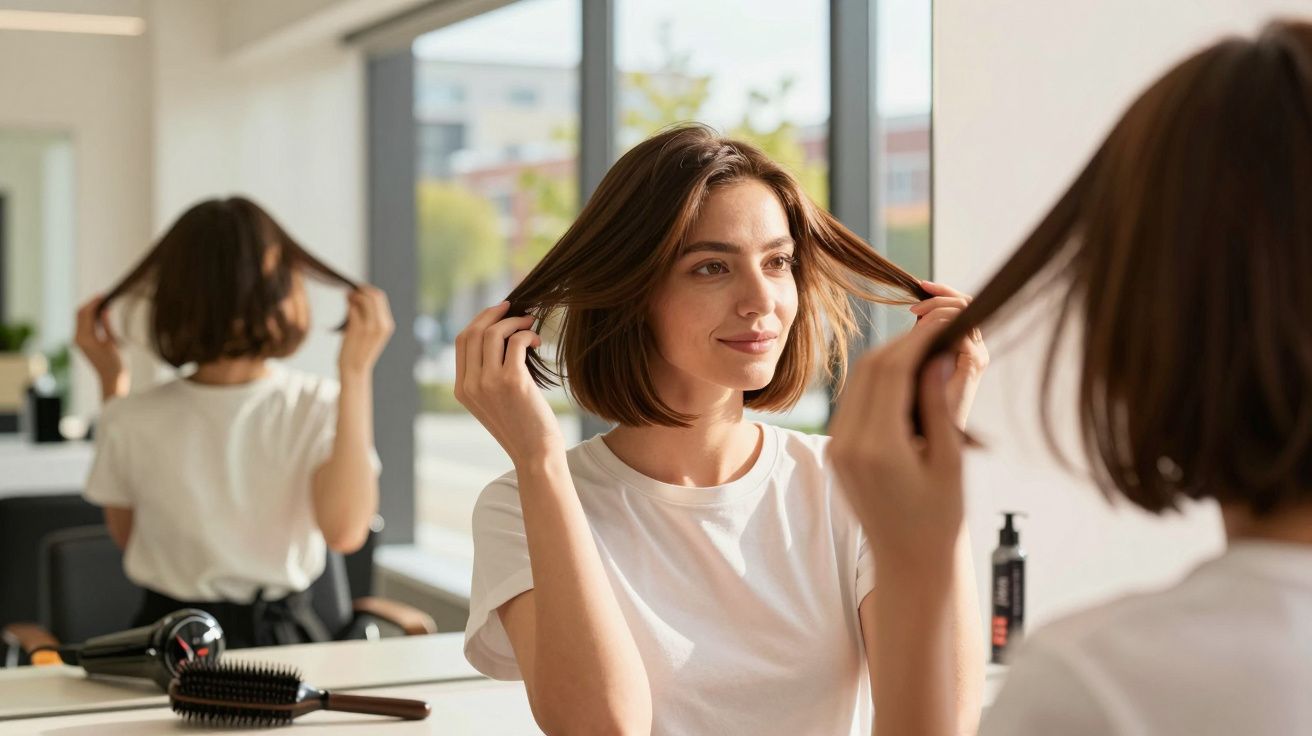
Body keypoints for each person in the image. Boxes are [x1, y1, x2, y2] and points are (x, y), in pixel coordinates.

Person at [830, 18, 1312, 735]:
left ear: (1142, 327)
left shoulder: (1108, 687)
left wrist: (916, 568)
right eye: (710, 265)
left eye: (777, 262)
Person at [459, 124, 988, 735]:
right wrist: (539, 460)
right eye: (712, 267)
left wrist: (933, 463)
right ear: (631, 292)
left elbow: (938, 729)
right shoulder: (520, 503)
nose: (761, 299)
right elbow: (604, 729)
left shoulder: (848, 486)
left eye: (778, 262)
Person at [75, 196, 394, 648]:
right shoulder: (318, 402)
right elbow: (345, 533)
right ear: (281, 289)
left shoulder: (128, 415)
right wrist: (356, 372)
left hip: (171, 642)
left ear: (172, 297)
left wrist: (112, 381)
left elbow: (131, 536)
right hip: (281, 641)